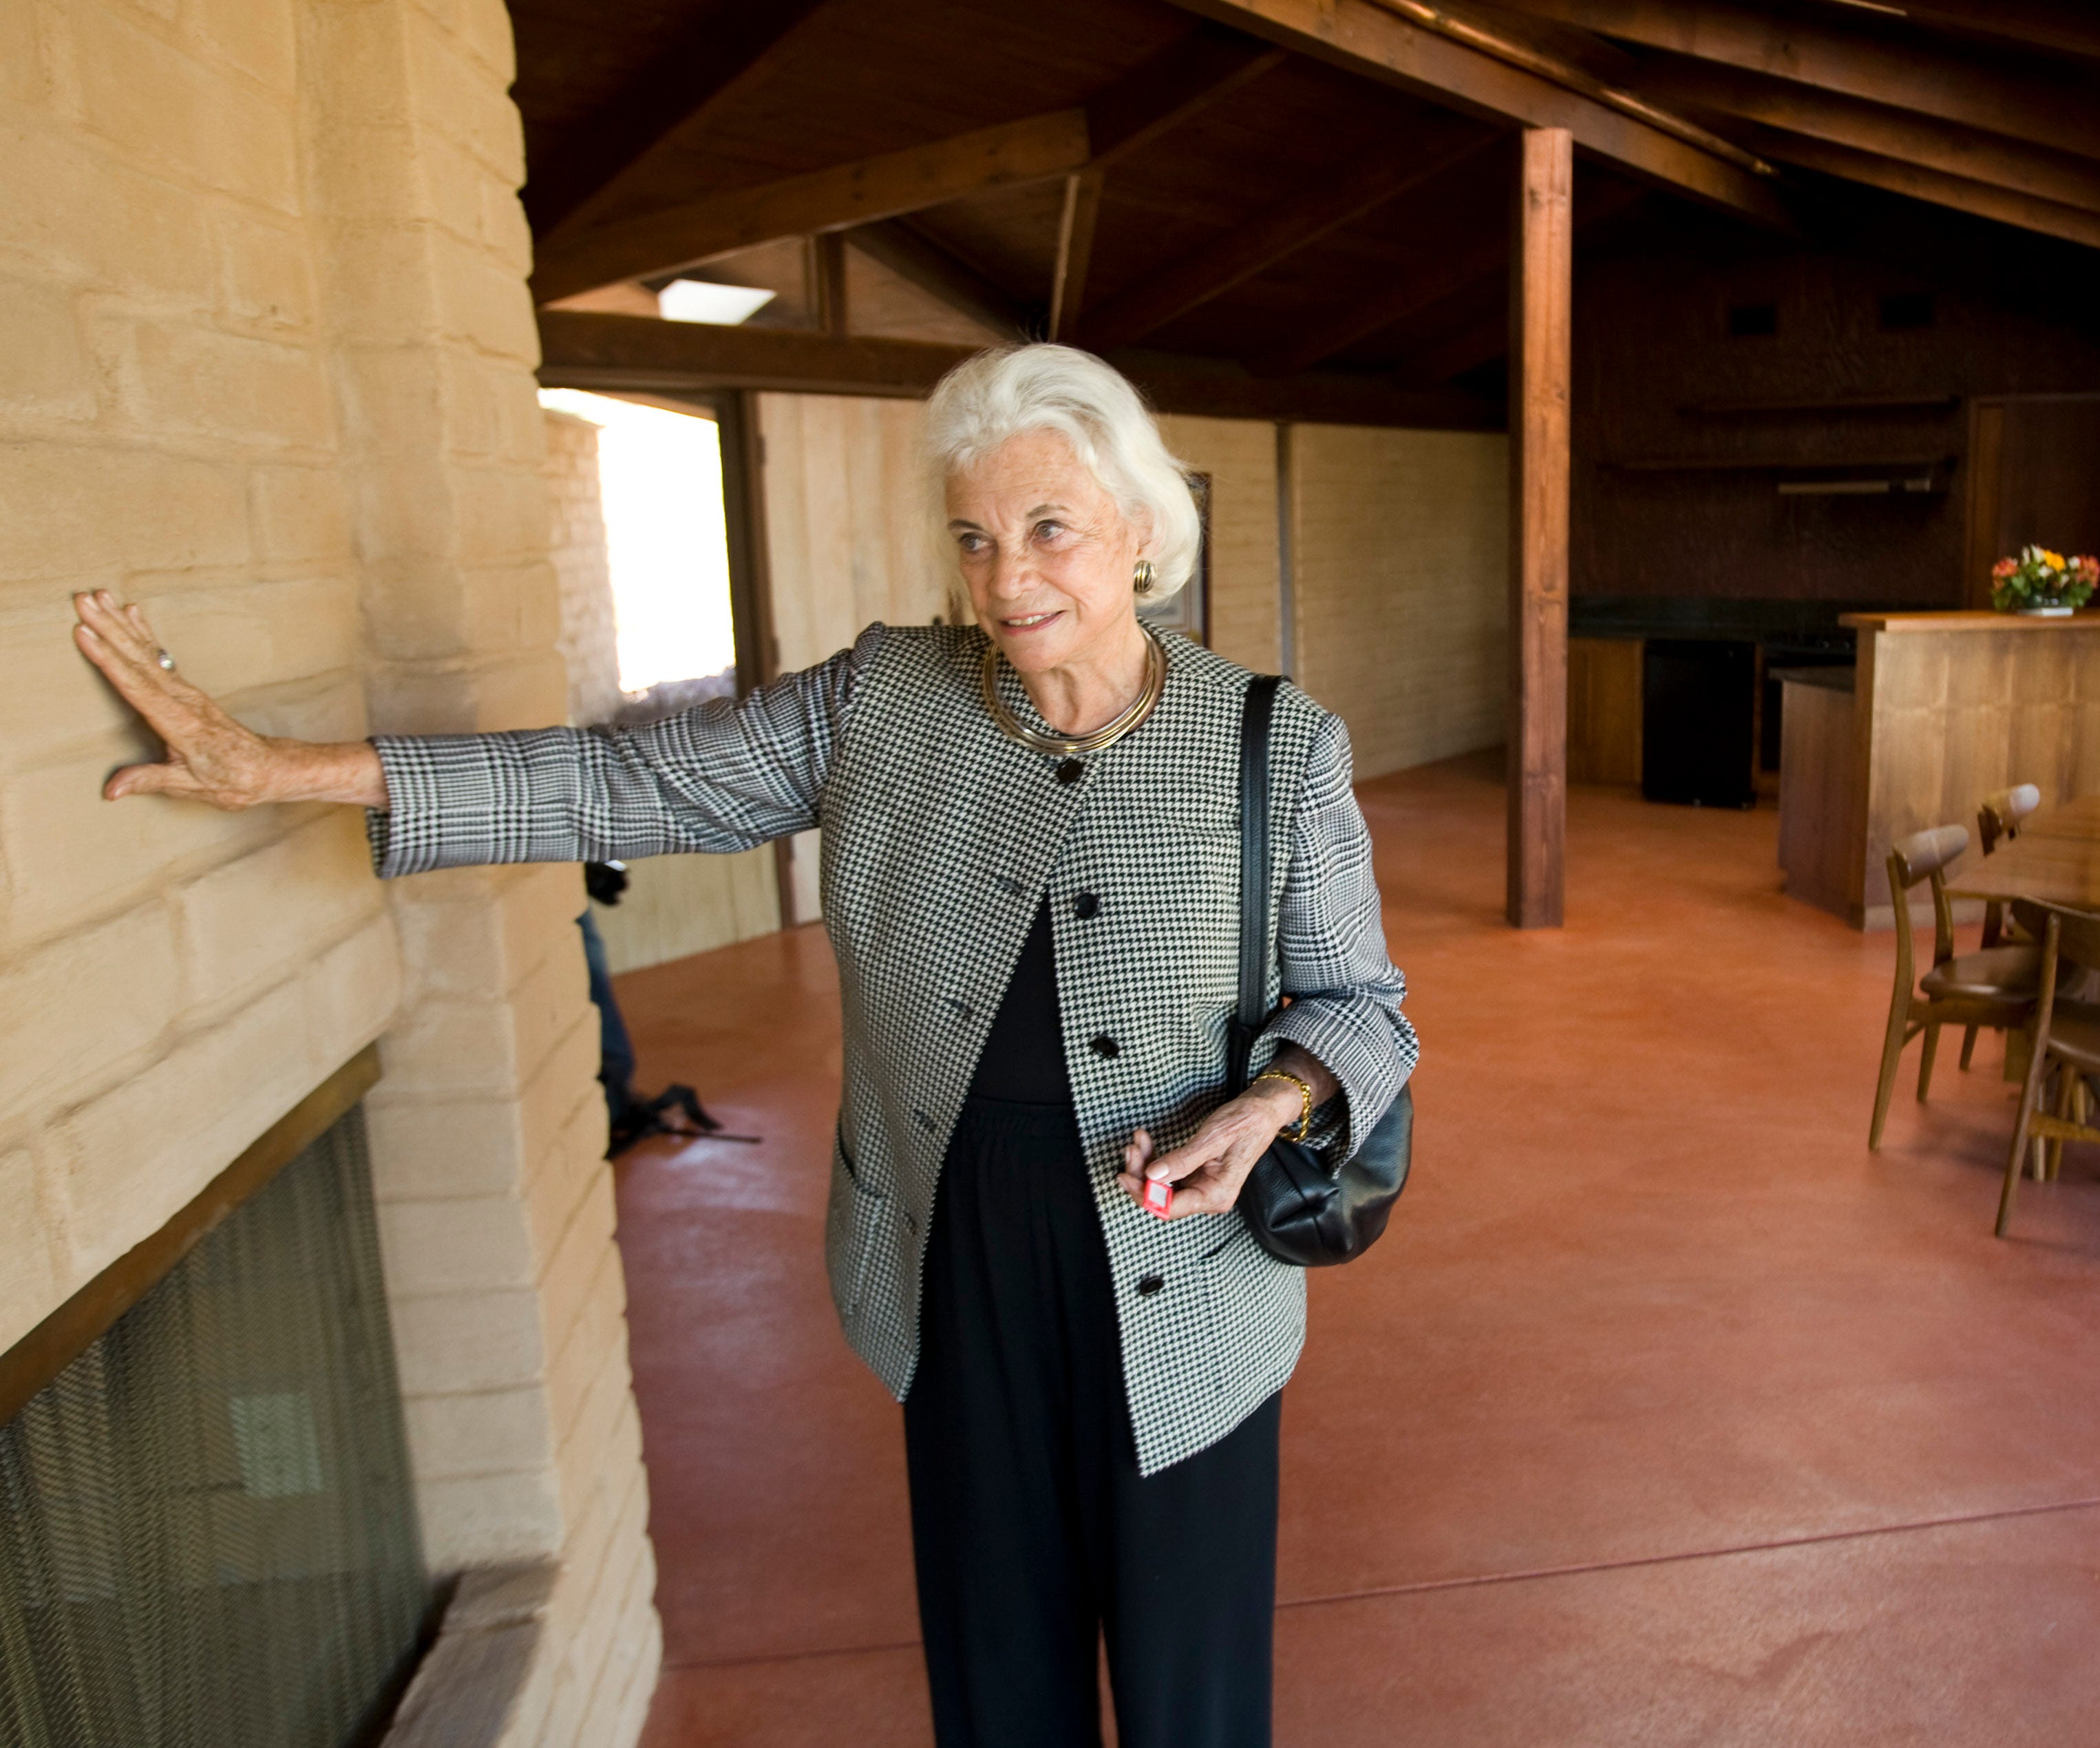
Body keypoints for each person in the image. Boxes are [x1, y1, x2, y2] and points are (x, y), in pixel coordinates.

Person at [71, 343, 1418, 1748]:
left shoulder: (1274, 741)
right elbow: (627, 778)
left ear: (1139, 529)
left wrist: (1268, 1104)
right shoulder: (883, 700)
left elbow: (1358, 1007)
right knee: (995, 1668)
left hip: (1185, 1265)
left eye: (1047, 529)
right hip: (952, 1248)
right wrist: (289, 771)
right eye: (972, 536)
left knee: (1189, 1688)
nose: (1004, 576)